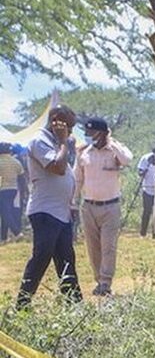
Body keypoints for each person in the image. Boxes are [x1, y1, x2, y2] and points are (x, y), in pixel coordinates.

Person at [16, 105, 82, 306]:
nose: (70, 132)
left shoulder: (54, 142)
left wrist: (69, 203)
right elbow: (58, 168)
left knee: (66, 259)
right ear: (55, 120)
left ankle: (74, 304)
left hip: (60, 212)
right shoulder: (39, 140)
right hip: (45, 212)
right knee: (41, 258)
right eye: (68, 127)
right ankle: (23, 303)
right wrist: (63, 142)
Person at [73, 117, 132, 296]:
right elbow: (78, 178)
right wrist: (73, 201)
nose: (88, 136)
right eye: (87, 133)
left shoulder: (115, 151)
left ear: (102, 133)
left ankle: (106, 282)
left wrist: (111, 142)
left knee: (108, 246)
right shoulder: (84, 153)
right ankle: (99, 280)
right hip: (89, 206)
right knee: (93, 247)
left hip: (110, 207)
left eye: (91, 133)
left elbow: (127, 159)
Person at [0, 142, 24, 242]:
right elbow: (22, 177)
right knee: (6, 211)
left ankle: (17, 232)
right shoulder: (16, 162)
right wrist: (22, 191)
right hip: (13, 189)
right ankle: (3, 237)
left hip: (2, 189)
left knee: (5, 213)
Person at [136, 149, 155, 237]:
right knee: (147, 211)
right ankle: (143, 233)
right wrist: (143, 172)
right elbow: (140, 172)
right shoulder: (146, 158)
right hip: (148, 189)